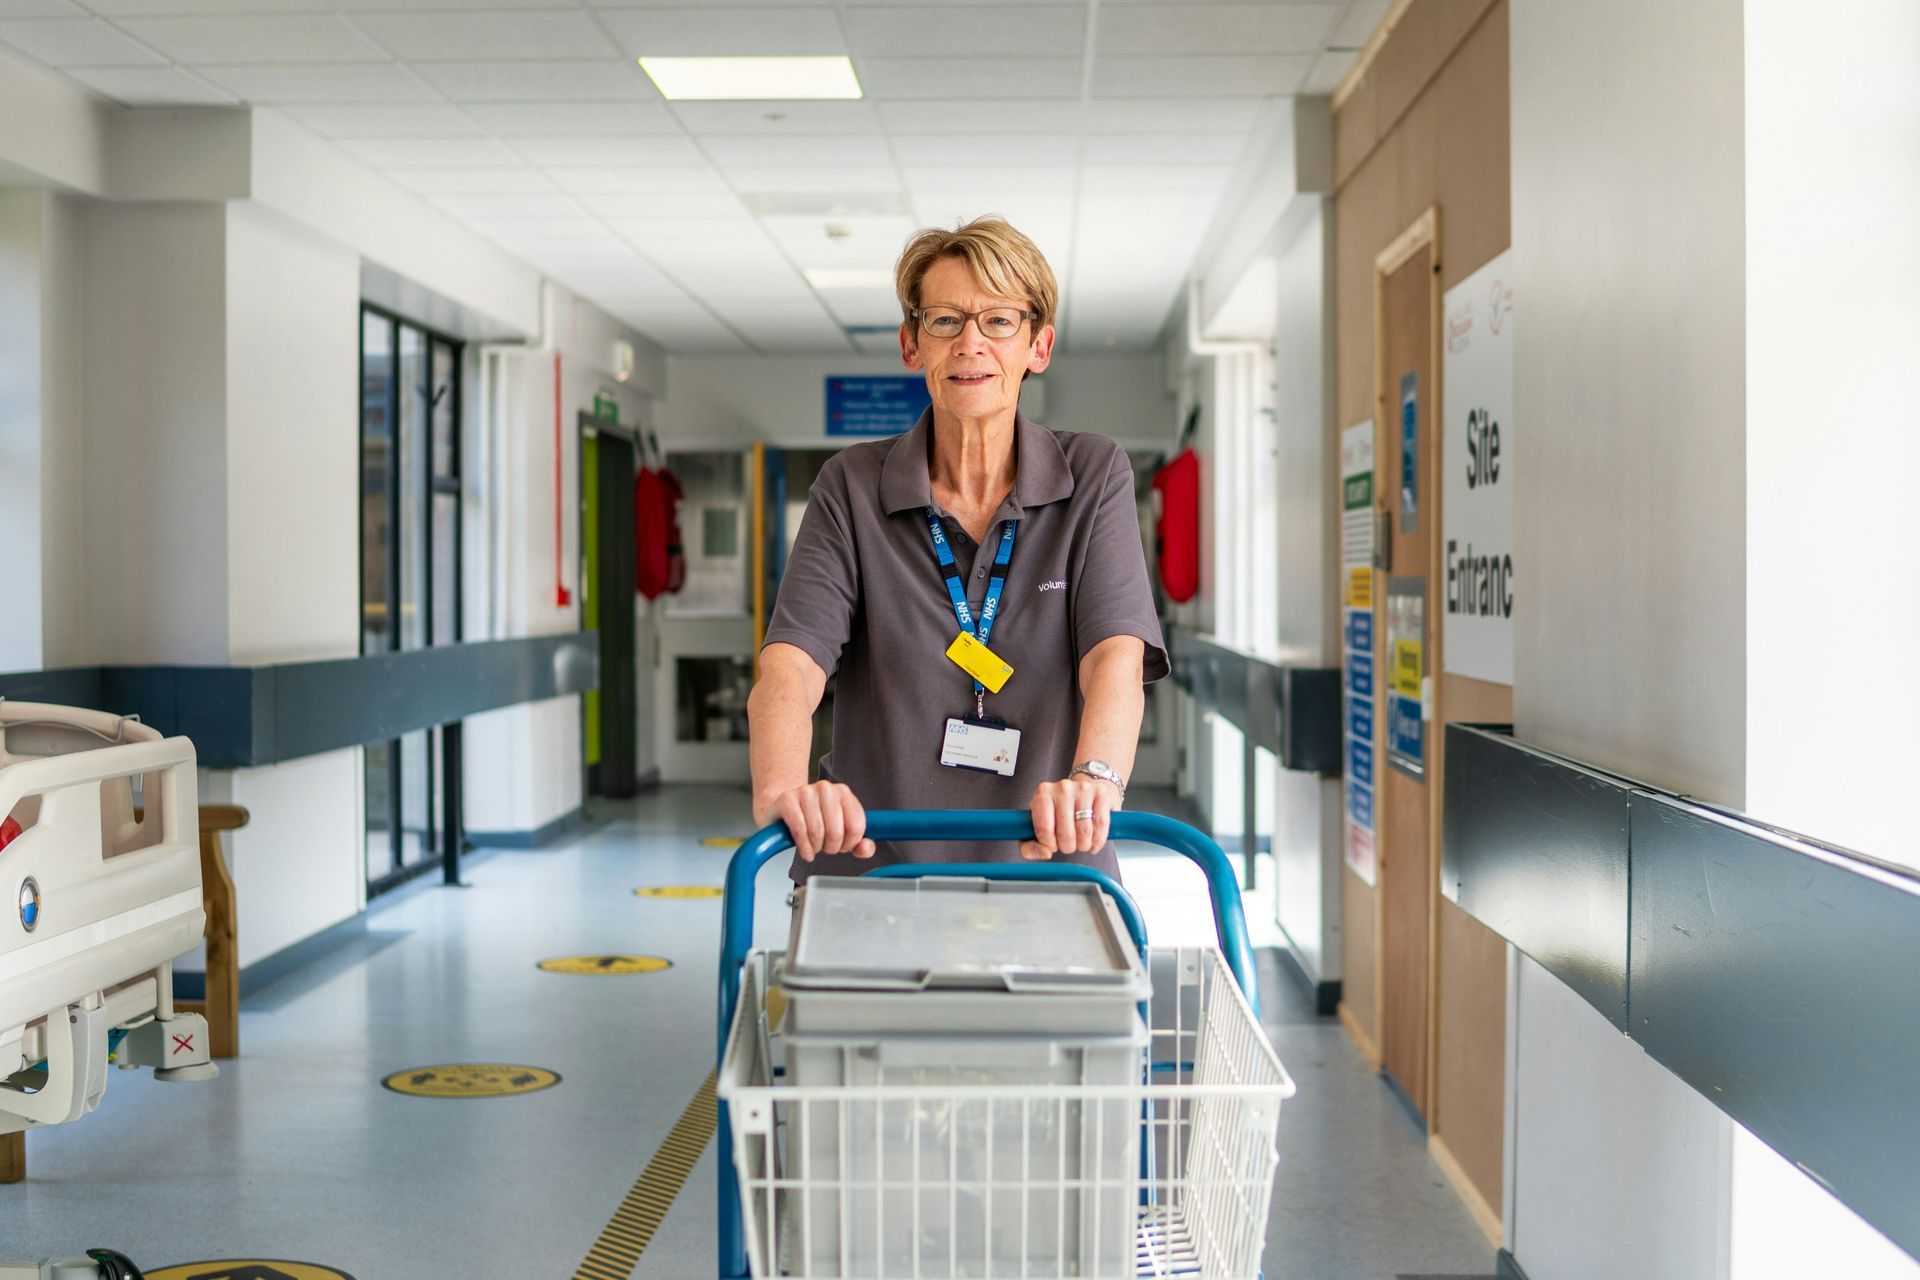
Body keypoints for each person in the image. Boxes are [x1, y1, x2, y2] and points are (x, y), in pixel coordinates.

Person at [748, 216, 1168, 880]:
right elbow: (792, 668)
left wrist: (1096, 778)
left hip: (1047, 864)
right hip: (871, 868)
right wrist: (781, 787)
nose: (970, 342)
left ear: (1039, 345)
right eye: (945, 321)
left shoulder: (1092, 473)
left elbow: (1113, 656)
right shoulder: (852, 486)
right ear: (912, 345)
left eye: (999, 320)